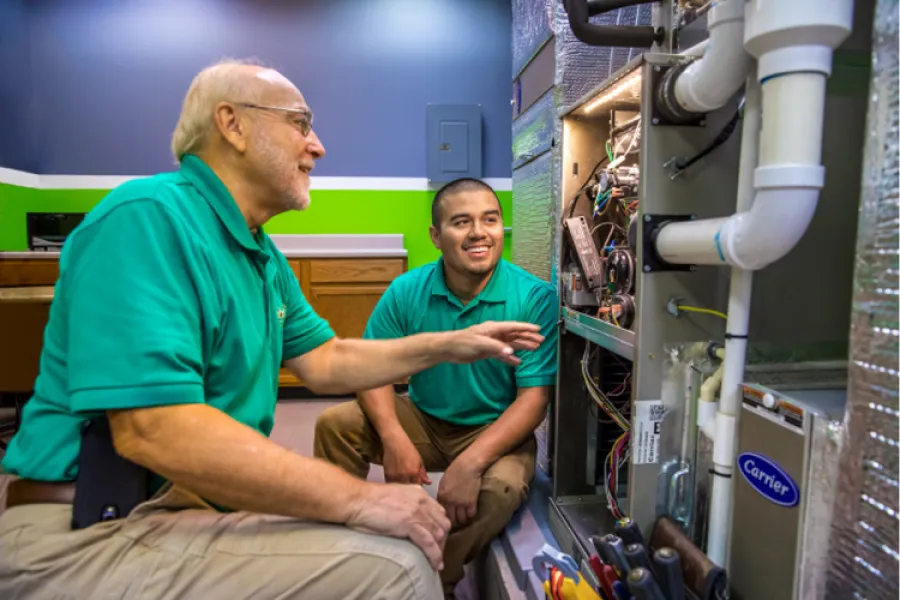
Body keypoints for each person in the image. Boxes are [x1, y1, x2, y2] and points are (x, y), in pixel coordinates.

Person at [0, 60, 547, 600]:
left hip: (187, 510)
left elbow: (327, 360)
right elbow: (155, 430)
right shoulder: (148, 217)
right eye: (300, 123)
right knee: (398, 569)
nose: (318, 146)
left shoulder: (258, 253)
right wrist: (361, 499)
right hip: (96, 529)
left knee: (384, 547)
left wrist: (446, 345)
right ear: (232, 124)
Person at [314, 178, 559, 597]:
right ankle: (344, 551)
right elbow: (372, 370)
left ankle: (432, 573)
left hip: (494, 427)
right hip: (423, 419)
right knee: (334, 425)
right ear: (436, 236)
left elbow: (533, 400)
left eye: (491, 219)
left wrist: (470, 464)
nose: (479, 232)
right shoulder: (408, 291)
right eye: (461, 222)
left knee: (502, 489)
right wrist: (394, 438)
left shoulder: (534, 297)